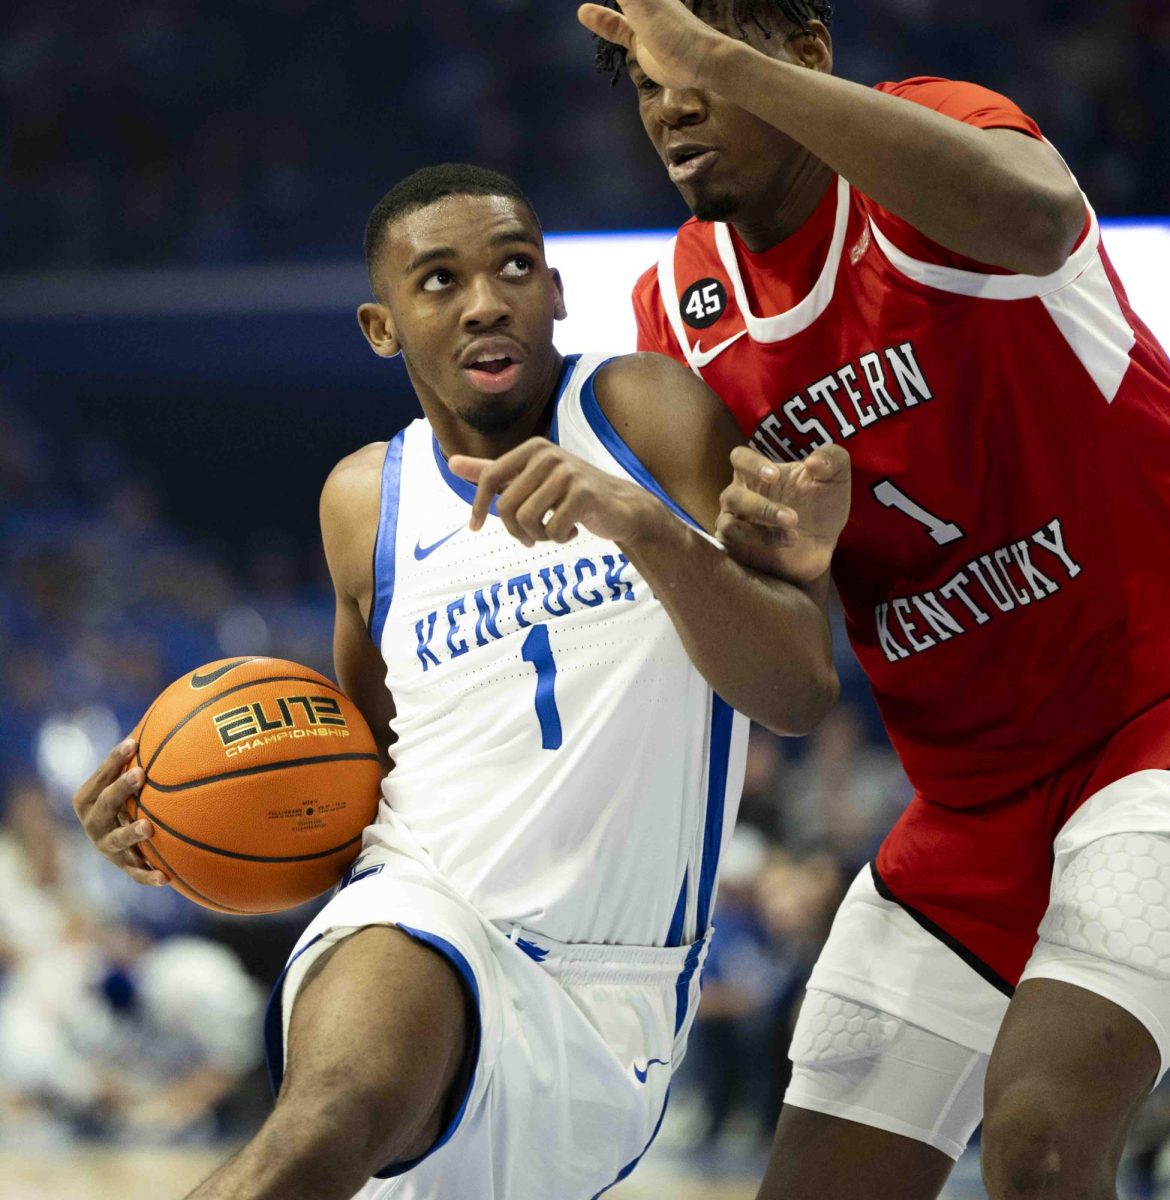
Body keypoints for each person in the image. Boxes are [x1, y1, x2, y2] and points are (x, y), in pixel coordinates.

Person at [70, 163, 847, 1200]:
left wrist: (637, 523)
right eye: (437, 280)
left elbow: (795, 691)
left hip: (614, 998)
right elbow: (356, 794)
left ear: (557, 292)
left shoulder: (643, 411)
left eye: (515, 265)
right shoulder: (362, 501)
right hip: (424, 908)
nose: (487, 300)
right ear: (381, 328)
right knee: (322, 1124)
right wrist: (170, 830)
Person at [579, 1, 1170, 1196]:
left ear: (804, 53)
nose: (674, 103)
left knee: (1044, 1141)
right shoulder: (675, 316)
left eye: (700, 67)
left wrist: (718, 54)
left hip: (1153, 722)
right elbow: (789, 682)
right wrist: (779, 564)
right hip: (969, 803)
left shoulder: (934, 141)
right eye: (647, 85)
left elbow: (1041, 215)